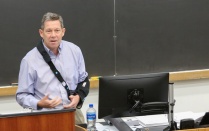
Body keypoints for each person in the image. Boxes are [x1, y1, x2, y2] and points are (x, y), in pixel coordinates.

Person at [16, 12, 89, 124]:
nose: (53, 35)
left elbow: (83, 80)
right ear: (41, 33)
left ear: (63, 32)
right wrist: (39, 103)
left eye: (57, 30)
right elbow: (21, 95)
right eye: (48, 31)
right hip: (44, 117)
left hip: (73, 114)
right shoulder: (29, 60)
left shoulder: (75, 51)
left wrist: (78, 97)